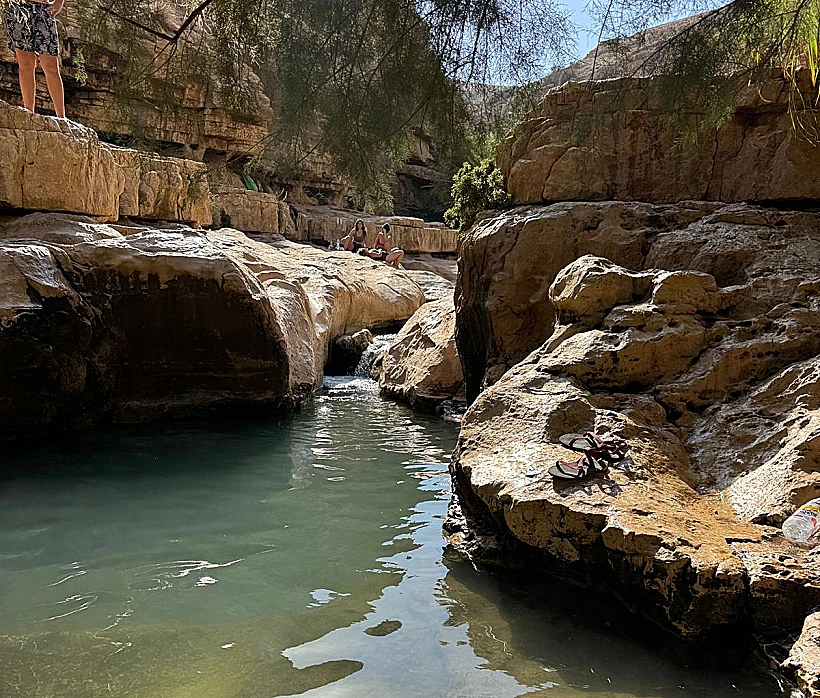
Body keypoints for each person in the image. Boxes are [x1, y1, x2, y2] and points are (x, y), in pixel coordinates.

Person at [3, 0, 66, 118]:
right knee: (26, 64)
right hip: (18, 9)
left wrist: (59, 3)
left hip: (43, 9)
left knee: (51, 66)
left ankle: (61, 117)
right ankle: (29, 113)